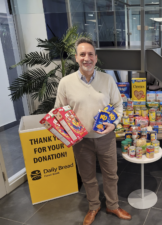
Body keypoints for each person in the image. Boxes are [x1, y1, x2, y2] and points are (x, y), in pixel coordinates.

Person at [55, 37, 131, 225]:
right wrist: (66, 132)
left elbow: (118, 105)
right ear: (76, 58)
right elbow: (59, 112)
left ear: (96, 58)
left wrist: (114, 124)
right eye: (82, 54)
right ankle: (93, 206)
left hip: (106, 138)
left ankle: (113, 205)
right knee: (87, 177)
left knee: (111, 174)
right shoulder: (65, 83)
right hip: (81, 141)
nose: (86, 58)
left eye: (90, 54)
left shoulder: (107, 80)